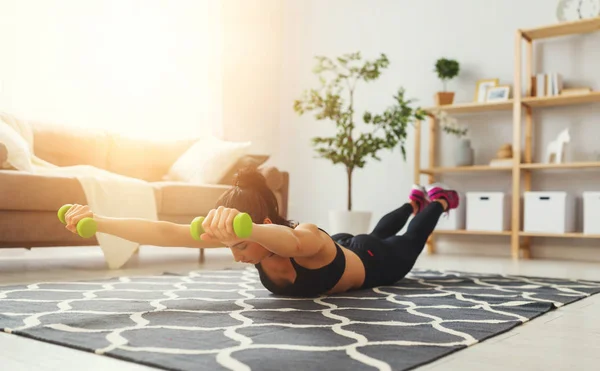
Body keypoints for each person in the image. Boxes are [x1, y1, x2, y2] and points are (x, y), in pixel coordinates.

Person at [64, 167, 458, 297]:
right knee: (374, 232)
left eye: (239, 245)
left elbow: (290, 242)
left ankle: (437, 201)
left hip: (373, 263)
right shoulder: (247, 239)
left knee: (403, 244)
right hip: (349, 246)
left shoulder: (306, 238)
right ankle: (411, 203)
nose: (234, 255)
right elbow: (164, 232)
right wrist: (98, 221)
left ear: (261, 227)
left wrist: (244, 229)